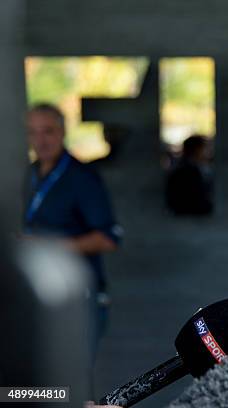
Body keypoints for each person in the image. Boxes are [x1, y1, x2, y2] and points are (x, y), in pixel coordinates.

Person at [24, 103, 122, 343]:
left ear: (62, 132)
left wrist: (47, 246)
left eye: (48, 131)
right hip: (39, 298)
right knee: (34, 380)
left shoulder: (81, 177)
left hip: (78, 299)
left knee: (67, 379)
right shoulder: (30, 174)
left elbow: (109, 239)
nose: (41, 140)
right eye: (33, 132)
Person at [165, 135, 214, 215]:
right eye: (205, 148)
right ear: (197, 150)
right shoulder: (187, 172)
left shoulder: (184, 169)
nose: (208, 152)